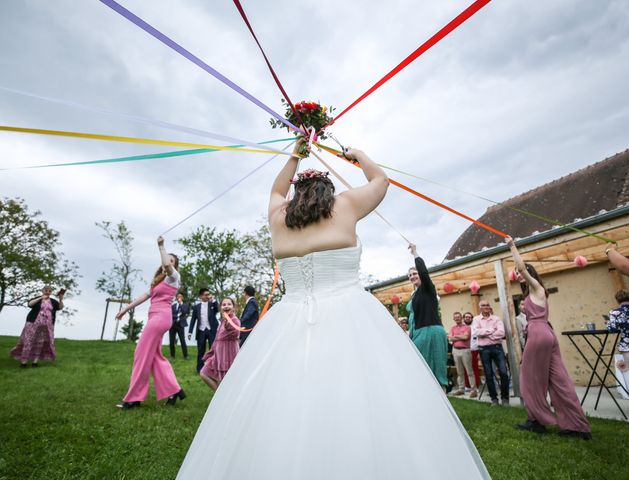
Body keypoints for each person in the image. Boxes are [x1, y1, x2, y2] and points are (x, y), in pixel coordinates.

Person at [177, 140, 490, 479]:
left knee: (281, 400)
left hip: (287, 321)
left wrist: (296, 153)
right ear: (328, 190)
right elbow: (381, 181)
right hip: (350, 315)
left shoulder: (278, 217)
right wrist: (358, 156)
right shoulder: (345, 205)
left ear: (297, 194)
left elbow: (275, 189)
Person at [506, 236, 591, 439]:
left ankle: (536, 420)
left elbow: (523, 269)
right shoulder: (535, 293)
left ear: (529, 274)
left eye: (520, 272)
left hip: (538, 333)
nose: (518, 274)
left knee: (529, 380)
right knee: (559, 380)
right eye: (517, 273)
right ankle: (577, 426)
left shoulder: (537, 288)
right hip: (548, 334)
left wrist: (511, 246)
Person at [115, 237, 185, 409]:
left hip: (161, 318)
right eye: (166, 258)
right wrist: (125, 309)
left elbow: (167, 266)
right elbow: (144, 297)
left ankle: (133, 398)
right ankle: (175, 390)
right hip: (155, 317)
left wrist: (161, 247)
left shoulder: (173, 277)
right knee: (154, 357)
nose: (167, 262)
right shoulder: (159, 281)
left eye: (171, 260)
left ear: (174, 264)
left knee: (141, 354)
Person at [406, 243, 449, 390]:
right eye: (410, 275)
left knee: (437, 368)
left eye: (415, 273)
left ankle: (442, 397)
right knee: (421, 368)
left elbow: (424, 272)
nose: (412, 276)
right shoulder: (415, 295)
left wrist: (415, 254)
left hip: (433, 331)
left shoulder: (428, 288)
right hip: (419, 333)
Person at [10, 286, 65, 367]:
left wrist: (60, 299)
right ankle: (23, 362)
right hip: (32, 323)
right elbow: (29, 304)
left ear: (51, 292)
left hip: (46, 326)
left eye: (49, 291)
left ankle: (35, 362)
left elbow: (60, 307)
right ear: (42, 291)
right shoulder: (38, 299)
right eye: (46, 290)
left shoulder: (53, 301)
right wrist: (41, 298)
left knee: (40, 342)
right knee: (28, 341)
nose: (47, 292)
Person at [472, 300, 510, 406]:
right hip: (484, 349)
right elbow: (475, 332)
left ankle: (505, 398)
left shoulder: (496, 318)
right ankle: (494, 399)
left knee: (503, 373)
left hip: (497, 348)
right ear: (480, 307)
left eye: (487, 305)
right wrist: (492, 331)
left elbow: (502, 332)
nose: (486, 307)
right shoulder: (476, 319)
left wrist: (485, 333)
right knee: (488, 375)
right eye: (483, 305)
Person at [200, 298, 241, 391]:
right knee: (204, 373)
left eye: (229, 304)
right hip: (218, 356)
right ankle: (219, 396)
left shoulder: (234, 320)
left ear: (234, 307)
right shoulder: (223, 321)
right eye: (224, 304)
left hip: (228, 356)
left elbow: (235, 332)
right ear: (221, 308)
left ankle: (225, 400)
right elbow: (217, 339)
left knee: (226, 383)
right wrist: (210, 353)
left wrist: (228, 325)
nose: (226, 306)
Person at [607, 290, 629, 388]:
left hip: (628, 349)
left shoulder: (615, 313)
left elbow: (612, 329)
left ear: (618, 300)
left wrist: (608, 323)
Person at [188, 288, 219, 373]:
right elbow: (193, 320)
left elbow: (217, 309)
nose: (208, 296)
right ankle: (200, 369)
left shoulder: (212, 304)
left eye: (209, 294)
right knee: (200, 349)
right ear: (201, 296)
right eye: (206, 295)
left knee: (212, 349)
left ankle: (212, 367)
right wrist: (190, 332)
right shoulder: (196, 307)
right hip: (201, 330)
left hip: (211, 330)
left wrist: (214, 301)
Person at [448, 312, 477, 397]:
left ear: (462, 318)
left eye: (458, 317)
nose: (457, 318)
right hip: (455, 350)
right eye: (455, 317)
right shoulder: (452, 328)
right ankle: (461, 389)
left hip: (465, 351)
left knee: (469, 371)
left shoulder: (467, 327)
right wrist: (459, 336)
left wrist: (455, 337)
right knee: (459, 372)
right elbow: (450, 338)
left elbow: (466, 337)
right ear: (454, 319)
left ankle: (473, 390)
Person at [463, 311, 482, 389]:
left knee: (474, 369)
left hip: (474, 350)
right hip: (464, 350)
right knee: (465, 368)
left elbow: (479, 339)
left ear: (472, 318)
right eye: (466, 317)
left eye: (469, 317)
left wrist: (479, 352)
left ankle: (475, 386)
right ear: (463, 318)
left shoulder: (475, 327)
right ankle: (467, 386)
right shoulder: (461, 327)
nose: (468, 318)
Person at [170, 293, 190, 359]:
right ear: (176, 298)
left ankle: (186, 355)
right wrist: (176, 316)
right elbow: (170, 314)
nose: (179, 297)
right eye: (178, 296)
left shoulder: (185, 305)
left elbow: (185, 312)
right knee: (171, 341)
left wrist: (181, 304)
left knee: (182, 340)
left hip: (180, 325)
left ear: (182, 297)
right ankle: (172, 355)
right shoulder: (173, 306)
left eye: (180, 296)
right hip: (173, 325)